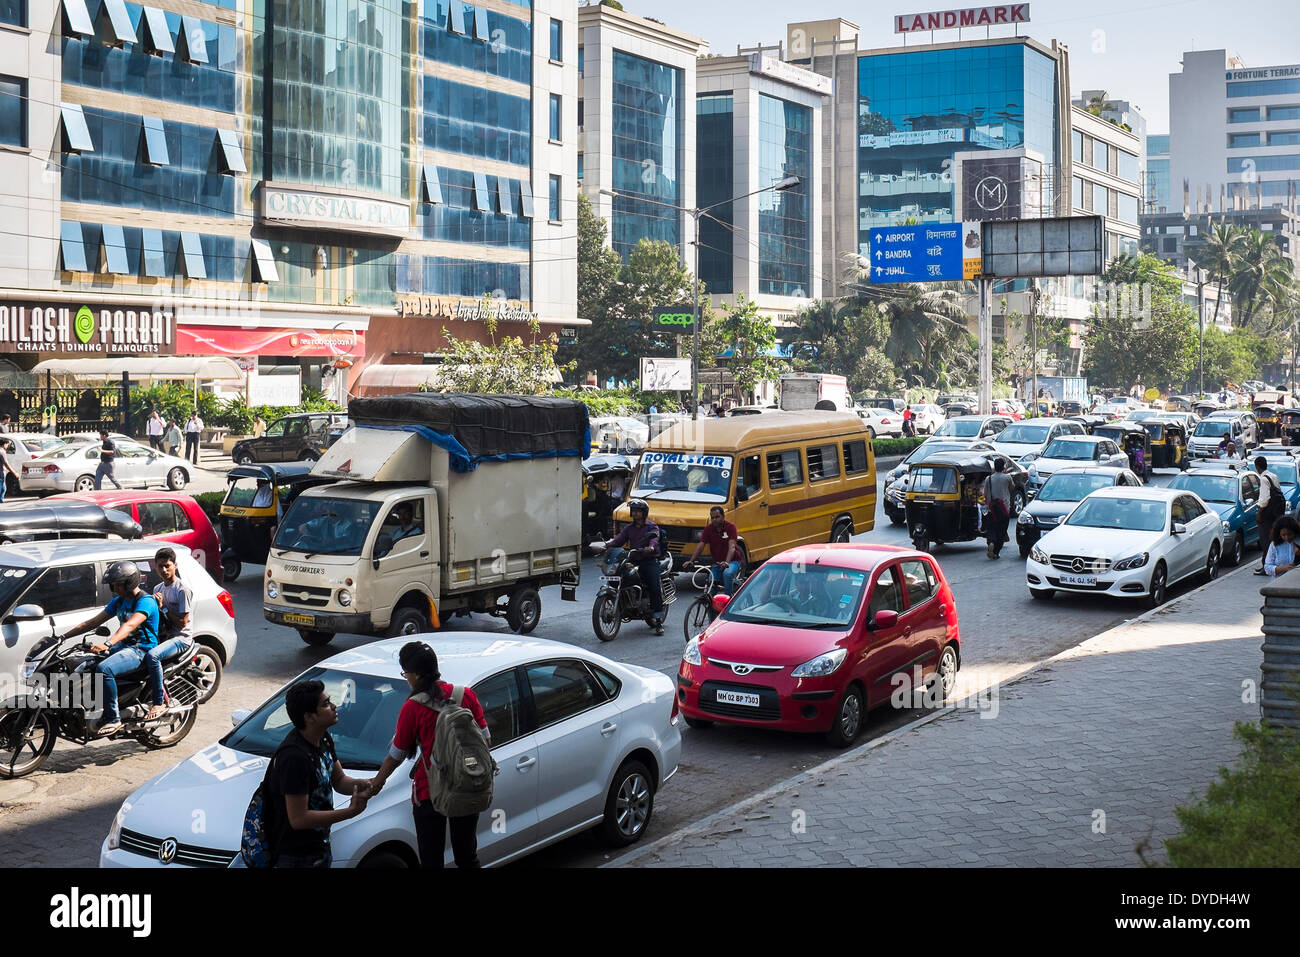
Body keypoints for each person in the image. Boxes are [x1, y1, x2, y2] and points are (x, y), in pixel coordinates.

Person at [367, 642, 490, 868]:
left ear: (413, 674)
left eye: (405, 673)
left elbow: (397, 754)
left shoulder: (413, 707)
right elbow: (485, 739)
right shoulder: (466, 695)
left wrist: (376, 783)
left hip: (429, 793)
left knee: (432, 861)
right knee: (467, 857)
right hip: (466, 783)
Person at [266, 680, 371, 867]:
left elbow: (338, 780)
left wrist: (362, 784)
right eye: (325, 704)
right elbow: (299, 819)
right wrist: (349, 812)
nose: (334, 706)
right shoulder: (294, 757)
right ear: (309, 717)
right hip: (294, 857)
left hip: (318, 849)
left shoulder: (322, 738)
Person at [61, 561, 161, 736]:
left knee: (104, 669)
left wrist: (108, 644)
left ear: (130, 582)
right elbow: (92, 622)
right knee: (84, 664)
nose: (114, 588)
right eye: (113, 585)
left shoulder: (146, 602)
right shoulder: (118, 601)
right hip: (124, 646)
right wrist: (62, 637)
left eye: (117, 584)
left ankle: (113, 718)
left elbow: (130, 625)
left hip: (141, 649)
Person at [142, 547, 193, 721]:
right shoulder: (157, 587)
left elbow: (182, 623)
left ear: (175, 566)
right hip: (163, 636)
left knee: (153, 656)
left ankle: (159, 701)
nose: (164, 570)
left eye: (167, 566)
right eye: (160, 567)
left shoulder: (182, 589)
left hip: (180, 638)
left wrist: (163, 607)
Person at [603, 498, 665, 634]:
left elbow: (655, 539)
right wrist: (605, 546)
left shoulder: (651, 527)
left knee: (654, 586)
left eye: (638, 511)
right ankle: (626, 602)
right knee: (619, 576)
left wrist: (651, 547)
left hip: (649, 560)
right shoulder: (629, 528)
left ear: (644, 513)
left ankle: (659, 620)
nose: (635, 513)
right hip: (634, 559)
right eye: (634, 511)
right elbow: (618, 541)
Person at [685, 505, 741, 596]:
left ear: (723, 517)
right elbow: (701, 545)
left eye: (717, 517)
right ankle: (711, 607)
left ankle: (728, 601)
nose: (714, 520)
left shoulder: (730, 527)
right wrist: (691, 561)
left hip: (733, 562)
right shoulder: (708, 529)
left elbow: (732, 547)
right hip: (717, 563)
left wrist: (727, 562)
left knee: (727, 574)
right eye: (712, 518)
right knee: (711, 583)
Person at [1255, 455, 1286, 575]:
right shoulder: (1274, 476)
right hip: (1276, 513)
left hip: (1267, 514)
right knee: (1272, 538)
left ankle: (1266, 565)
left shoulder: (1263, 479)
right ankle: (1268, 563)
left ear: (1257, 467)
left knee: (1265, 540)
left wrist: (1259, 514)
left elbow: (1264, 500)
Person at [984, 459, 1013, 559]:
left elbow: (985, 493)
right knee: (1002, 531)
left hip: (992, 508)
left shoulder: (989, 479)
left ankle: (991, 542)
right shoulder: (1007, 477)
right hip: (1004, 509)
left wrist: (987, 504)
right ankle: (996, 552)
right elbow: (1012, 488)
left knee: (991, 529)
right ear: (1004, 467)